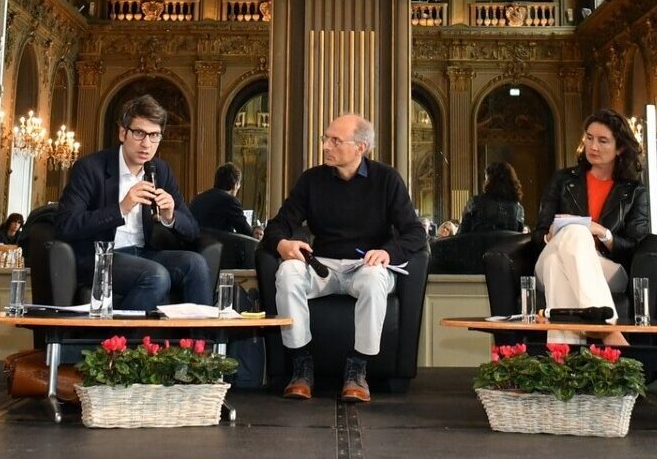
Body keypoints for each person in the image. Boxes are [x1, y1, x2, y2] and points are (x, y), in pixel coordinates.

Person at [263, 114, 426, 403]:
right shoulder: (311, 180)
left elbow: (415, 233)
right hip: (321, 266)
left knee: (376, 279)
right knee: (287, 272)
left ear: (361, 147)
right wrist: (283, 244)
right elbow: (277, 226)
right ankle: (301, 367)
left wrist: (388, 252)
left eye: (334, 140)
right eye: (325, 138)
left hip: (365, 267)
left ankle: (357, 370)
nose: (325, 145)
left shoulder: (387, 179)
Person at [54, 95, 208, 310]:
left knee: (196, 264)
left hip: (144, 253)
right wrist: (120, 208)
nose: (146, 143)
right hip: (101, 256)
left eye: (154, 135)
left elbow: (193, 231)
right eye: (139, 133)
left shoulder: (160, 170)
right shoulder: (90, 168)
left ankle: (197, 343)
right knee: (156, 275)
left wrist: (170, 216)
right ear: (122, 133)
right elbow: (66, 224)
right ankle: (117, 343)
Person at [535, 109, 650, 347]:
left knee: (558, 265)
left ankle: (562, 364)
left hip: (606, 266)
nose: (593, 146)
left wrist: (602, 232)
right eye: (589, 138)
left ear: (619, 148)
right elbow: (538, 235)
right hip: (551, 252)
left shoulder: (634, 191)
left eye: (602, 140)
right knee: (571, 236)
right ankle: (606, 327)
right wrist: (553, 235)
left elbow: (634, 245)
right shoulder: (563, 180)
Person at [190, 163, 256, 237]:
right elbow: (246, 231)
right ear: (235, 185)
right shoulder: (230, 201)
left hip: (192, 246)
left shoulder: (197, 199)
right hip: (217, 246)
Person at [460, 161, 527, 234]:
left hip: (481, 245)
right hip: (508, 245)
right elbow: (519, 237)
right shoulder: (518, 208)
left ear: (489, 179)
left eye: (486, 178)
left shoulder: (475, 202)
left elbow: (461, 234)